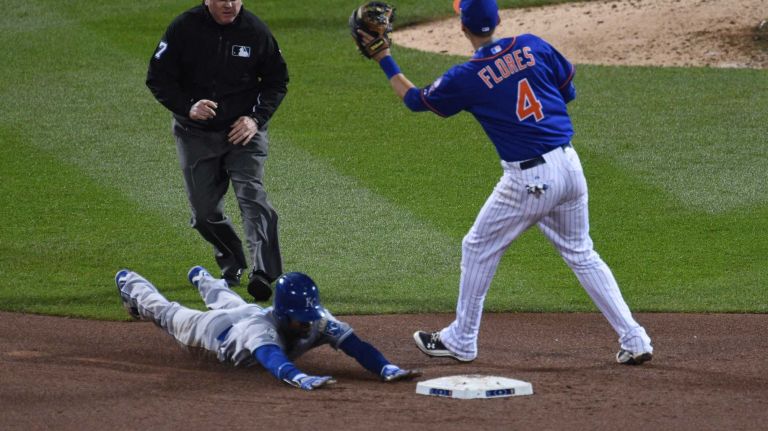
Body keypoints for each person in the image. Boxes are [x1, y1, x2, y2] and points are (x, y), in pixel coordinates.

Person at [356, 0, 653, 365]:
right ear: (497, 21)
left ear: (462, 27)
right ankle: (635, 337)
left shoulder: (465, 76)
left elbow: (417, 101)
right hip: (570, 166)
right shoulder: (533, 44)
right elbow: (568, 92)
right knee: (581, 253)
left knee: (477, 247)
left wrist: (382, 56)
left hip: (530, 179)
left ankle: (462, 340)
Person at [146, 0, 288, 301]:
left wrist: (255, 119)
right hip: (195, 134)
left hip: (243, 132)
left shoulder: (256, 31)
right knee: (204, 213)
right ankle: (233, 259)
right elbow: (157, 77)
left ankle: (264, 273)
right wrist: (188, 106)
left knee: (252, 197)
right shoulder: (183, 28)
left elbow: (277, 81)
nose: (229, 4)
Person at [115, 266, 421, 390]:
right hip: (211, 334)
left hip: (246, 314)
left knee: (237, 305)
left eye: (310, 315)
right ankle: (131, 284)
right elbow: (272, 359)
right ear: (285, 313)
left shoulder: (315, 318)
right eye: (301, 317)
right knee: (169, 314)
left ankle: (204, 279)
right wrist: (299, 377)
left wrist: (385, 368)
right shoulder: (261, 331)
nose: (309, 322)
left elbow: (355, 345)